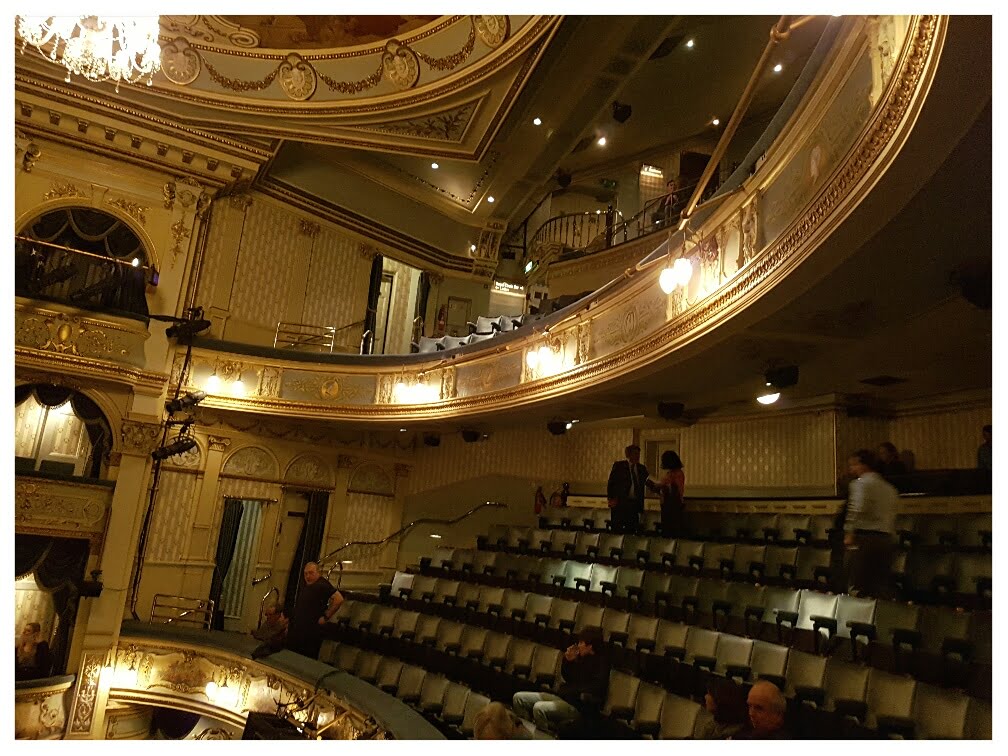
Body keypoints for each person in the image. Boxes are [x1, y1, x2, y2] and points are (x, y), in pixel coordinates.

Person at [512, 626, 610, 735]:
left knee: (539, 708)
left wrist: (573, 691)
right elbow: (568, 677)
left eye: (581, 643)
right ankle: (524, 735)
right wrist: (568, 661)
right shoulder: (581, 658)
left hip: (577, 706)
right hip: (562, 697)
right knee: (518, 698)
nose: (578, 645)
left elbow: (597, 687)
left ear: (590, 646)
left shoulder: (602, 664)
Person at [843, 449, 898, 598]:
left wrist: (849, 532)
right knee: (880, 585)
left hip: (865, 539)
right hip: (885, 539)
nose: (851, 469)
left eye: (853, 465)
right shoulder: (889, 488)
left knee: (858, 585)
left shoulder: (859, 484)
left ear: (863, 465)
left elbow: (857, 508)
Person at [285, 562, 344, 658]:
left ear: (318, 573)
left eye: (311, 573)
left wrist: (326, 617)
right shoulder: (307, 585)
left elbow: (339, 599)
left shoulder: (322, 584)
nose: (307, 576)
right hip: (299, 629)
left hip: (310, 632)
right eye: (305, 573)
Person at [607, 444, 658, 533]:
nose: (637, 456)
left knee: (631, 529)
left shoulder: (641, 468)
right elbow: (611, 483)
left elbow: (648, 482)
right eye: (635, 453)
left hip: (634, 504)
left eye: (638, 454)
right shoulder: (619, 466)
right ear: (628, 454)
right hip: (620, 503)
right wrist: (611, 499)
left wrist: (659, 490)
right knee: (617, 529)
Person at [656, 450, 686, 537]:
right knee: (667, 528)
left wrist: (663, 486)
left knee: (672, 529)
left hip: (673, 504)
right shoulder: (670, 473)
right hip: (666, 503)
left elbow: (677, 489)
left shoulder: (678, 474)